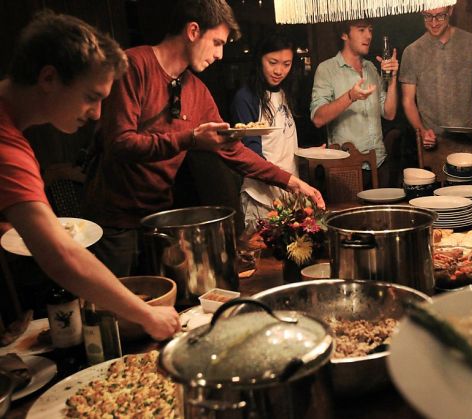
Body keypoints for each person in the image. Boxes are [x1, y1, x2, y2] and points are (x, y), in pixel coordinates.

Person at [83, 0, 324, 276]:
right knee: (115, 299)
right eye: (217, 43)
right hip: (114, 219)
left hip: (160, 217)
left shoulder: (195, 89)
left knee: (163, 295)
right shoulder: (134, 66)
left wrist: (291, 181)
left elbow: (233, 149)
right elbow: (120, 143)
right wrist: (191, 139)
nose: (220, 54)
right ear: (193, 31)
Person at [0, 11, 179, 340]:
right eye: (91, 97)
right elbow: (61, 256)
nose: (97, 114)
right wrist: (148, 315)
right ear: (49, 78)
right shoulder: (6, 146)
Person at [310, 19, 398, 188]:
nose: (369, 35)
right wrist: (350, 96)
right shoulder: (327, 69)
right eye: (361, 30)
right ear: (344, 35)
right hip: (347, 167)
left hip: (379, 162)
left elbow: (389, 113)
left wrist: (393, 79)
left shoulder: (371, 68)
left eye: (370, 30)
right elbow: (318, 118)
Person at [399, 5, 472, 155]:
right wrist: (422, 131)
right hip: (433, 139)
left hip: (470, 136)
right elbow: (408, 100)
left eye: (440, 16)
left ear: (450, 11)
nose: (434, 23)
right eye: (428, 16)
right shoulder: (411, 52)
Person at [231, 33, 302, 223]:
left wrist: (307, 152)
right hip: (260, 197)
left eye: (286, 64)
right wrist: (283, 180)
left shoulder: (285, 92)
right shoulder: (246, 98)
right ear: (259, 59)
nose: (279, 71)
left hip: (288, 194)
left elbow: (282, 140)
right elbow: (250, 153)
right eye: (273, 62)